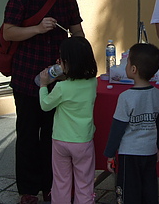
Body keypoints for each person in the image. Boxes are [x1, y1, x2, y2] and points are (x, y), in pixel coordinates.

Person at [2, 0, 85, 204]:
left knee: (53, 135)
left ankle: (52, 186)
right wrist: (37, 29)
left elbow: (78, 33)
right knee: (27, 133)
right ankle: (28, 189)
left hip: (58, 79)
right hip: (27, 76)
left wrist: (78, 53)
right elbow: (8, 33)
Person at [38, 37, 98, 204]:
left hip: (60, 140)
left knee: (61, 182)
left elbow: (45, 105)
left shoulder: (62, 87)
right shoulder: (93, 83)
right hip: (83, 141)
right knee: (85, 183)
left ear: (66, 63)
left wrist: (43, 85)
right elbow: (78, 85)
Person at [104, 43, 159, 204]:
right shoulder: (158, 95)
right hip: (149, 151)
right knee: (149, 190)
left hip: (129, 153)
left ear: (133, 69)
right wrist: (158, 146)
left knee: (128, 192)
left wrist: (110, 154)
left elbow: (117, 127)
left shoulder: (125, 97)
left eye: (128, 62)